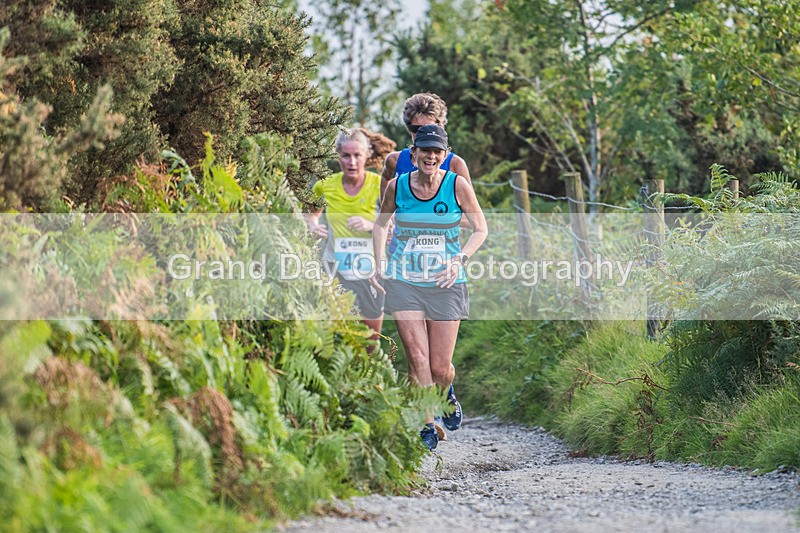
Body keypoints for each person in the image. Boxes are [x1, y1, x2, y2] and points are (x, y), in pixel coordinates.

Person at [370, 124, 488, 450]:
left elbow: (481, 228)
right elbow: (380, 226)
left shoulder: (457, 185)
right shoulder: (397, 186)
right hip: (404, 279)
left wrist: (459, 259)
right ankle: (426, 424)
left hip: (446, 281)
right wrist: (380, 264)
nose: (431, 157)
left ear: (444, 155)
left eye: (437, 152)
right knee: (418, 358)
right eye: (426, 151)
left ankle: (446, 390)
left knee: (439, 367)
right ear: (415, 154)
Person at [305, 128, 384, 347]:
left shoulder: (379, 185)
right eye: (345, 155)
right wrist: (313, 225)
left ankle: (366, 379)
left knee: (371, 341)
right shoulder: (326, 184)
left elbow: (394, 224)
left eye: (357, 155)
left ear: (366, 156)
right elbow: (311, 213)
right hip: (335, 268)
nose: (351, 161)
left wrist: (371, 225)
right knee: (339, 336)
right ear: (337, 156)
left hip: (371, 271)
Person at [380, 93, 471, 200]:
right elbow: (386, 178)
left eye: (429, 129)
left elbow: (470, 208)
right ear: (409, 129)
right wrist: (388, 213)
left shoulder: (455, 164)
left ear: (440, 127)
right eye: (417, 129)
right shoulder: (394, 160)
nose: (423, 135)